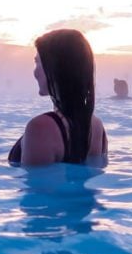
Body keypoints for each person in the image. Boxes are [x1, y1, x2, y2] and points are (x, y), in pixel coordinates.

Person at [8, 29, 108, 166]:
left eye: (38, 63)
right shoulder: (97, 127)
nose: (35, 72)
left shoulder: (41, 128)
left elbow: (35, 185)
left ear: (56, 68)